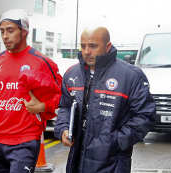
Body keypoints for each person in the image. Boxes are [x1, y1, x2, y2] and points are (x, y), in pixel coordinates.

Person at [54, 26, 156, 173]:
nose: (86, 51)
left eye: (93, 46)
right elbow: (65, 106)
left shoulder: (130, 75)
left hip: (112, 163)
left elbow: (145, 115)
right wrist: (63, 128)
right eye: (83, 46)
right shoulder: (72, 73)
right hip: (76, 161)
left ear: (108, 46)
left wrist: (117, 140)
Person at [0, 9, 62, 173]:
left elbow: (62, 95)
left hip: (24, 141)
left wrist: (42, 107)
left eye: (10, 30)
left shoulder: (42, 62)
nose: (5, 36)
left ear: (24, 31)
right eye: (2, 31)